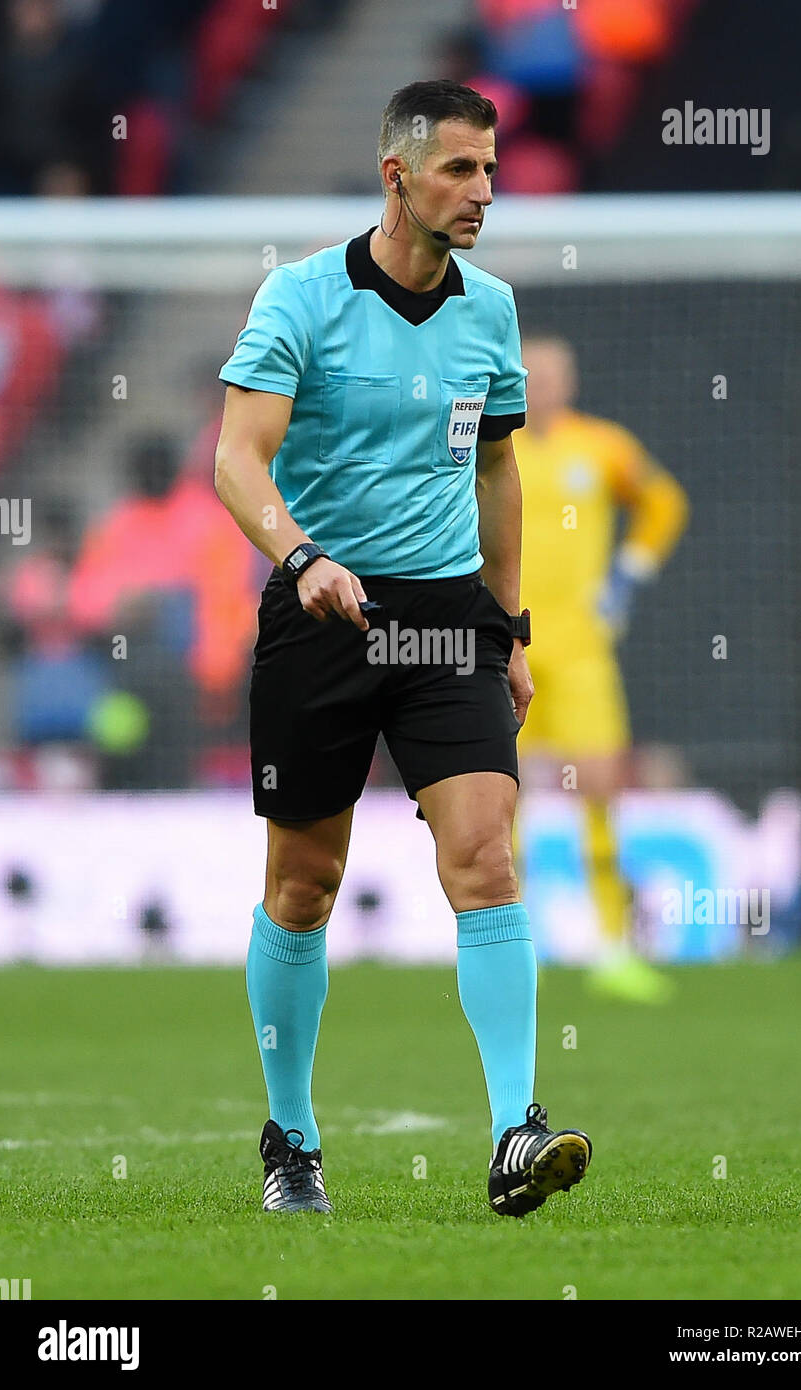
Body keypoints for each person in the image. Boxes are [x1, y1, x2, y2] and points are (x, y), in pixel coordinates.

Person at [215, 80, 592, 1218]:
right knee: (302, 886)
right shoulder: (299, 297)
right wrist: (300, 558)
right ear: (397, 177)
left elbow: (493, 469)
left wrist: (510, 623)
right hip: (319, 615)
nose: (483, 192)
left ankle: (513, 1132)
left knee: (484, 856)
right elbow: (237, 458)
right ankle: (291, 1137)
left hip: (444, 623)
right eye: (460, 171)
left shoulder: (492, 310)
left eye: (490, 169)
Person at [517, 337, 690, 1001]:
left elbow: (664, 503)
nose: (545, 387)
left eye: (557, 375)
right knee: (501, 797)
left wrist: (629, 572)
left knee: (598, 789)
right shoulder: (486, 447)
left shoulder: (603, 447)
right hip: (505, 645)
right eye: (534, 376)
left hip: (583, 647)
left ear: (573, 382)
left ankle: (612, 948)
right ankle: (510, 948)